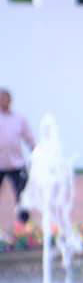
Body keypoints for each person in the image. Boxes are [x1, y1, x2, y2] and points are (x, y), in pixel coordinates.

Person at [0, 88, 36, 224]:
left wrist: (36, 151)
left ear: (10, 100)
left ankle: (24, 224)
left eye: (6, 98)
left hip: (16, 164)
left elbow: (29, 137)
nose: (3, 101)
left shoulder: (19, 119)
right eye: (1, 99)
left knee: (22, 195)